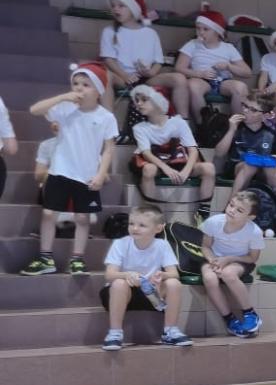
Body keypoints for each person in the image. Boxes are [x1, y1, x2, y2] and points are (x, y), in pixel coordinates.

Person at [19, 63, 119, 276]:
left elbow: (109, 149)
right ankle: (45, 258)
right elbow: (35, 110)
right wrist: (62, 97)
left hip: (87, 175)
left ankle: (77, 259)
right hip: (60, 171)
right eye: (76, 83)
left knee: (82, 218)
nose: (79, 88)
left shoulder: (106, 117)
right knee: (48, 213)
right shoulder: (65, 108)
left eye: (86, 84)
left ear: (99, 90)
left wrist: (101, 173)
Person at [100, 203, 193, 350]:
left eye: (142, 225)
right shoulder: (120, 244)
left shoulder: (162, 245)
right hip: (123, 293)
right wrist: (127, 275)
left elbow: (174, 274)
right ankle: (115, 333)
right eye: (131, 223)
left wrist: (161, 275)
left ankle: (170, 331)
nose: (135, 228)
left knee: (173, 283)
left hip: (151, 294)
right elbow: (109, 275)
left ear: (158, 228)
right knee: (118, 283)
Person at [128, 83, 215, 209]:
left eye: (144, 100)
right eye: (137, 101)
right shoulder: (140, 128)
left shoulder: (178, 122)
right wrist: (166, 169)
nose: (139, 104)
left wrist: (185, 172)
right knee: (148, 169)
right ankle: (150, 210)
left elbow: (193, 150)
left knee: (209, 168)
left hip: (178, 160)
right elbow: (146, 153)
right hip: (157, 163)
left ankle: (204, 210)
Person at [200, 188, 267, 338]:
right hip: (214, 258)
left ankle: (250, 313)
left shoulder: (254, 232)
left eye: (239, 210)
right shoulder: (213, 222)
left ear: (250, 217)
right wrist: (212, 260)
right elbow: (205, 246)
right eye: (231, 205)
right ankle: (229, 319)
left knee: (228, 274)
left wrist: (229, 259)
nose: (232, 210)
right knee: (209, 278)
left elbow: (252, 258)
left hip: (240, 260)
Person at [98, 0, 172, 109]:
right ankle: (107, 117)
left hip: (146, 78)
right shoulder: (109, 31)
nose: (116, 9)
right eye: (113, 6)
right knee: (105, 75)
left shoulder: (151, 33)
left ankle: (183, 118)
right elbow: (108, 59)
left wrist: (150, 72)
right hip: (121, 77)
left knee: (179, 79)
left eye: (121, 6)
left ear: (133, 9)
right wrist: (125, 75)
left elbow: (158, 62)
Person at [214, 96, 276, 207]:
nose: (245, 110)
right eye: (245, 106)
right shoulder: (234, 127)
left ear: (265, 115)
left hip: (262, 170)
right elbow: (219, 153)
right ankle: (230, 206)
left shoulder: (271, 133)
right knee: (250, 164)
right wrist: (231, 130)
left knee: (272, 166)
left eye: (252, 110)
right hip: (237, 167)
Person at [175, 11, 252, 116]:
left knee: (240, 87)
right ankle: (203, 123)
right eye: (198, 28)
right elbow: (179, 68)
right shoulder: (192, 44)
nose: (201, 32)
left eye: (206, 29)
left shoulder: (228, 48)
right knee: (193, 85)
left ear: (217, 32)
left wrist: (229, 66)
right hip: (201, 80)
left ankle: (236, 124)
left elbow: (247, 72)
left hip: (223, 81)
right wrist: (200, 74)